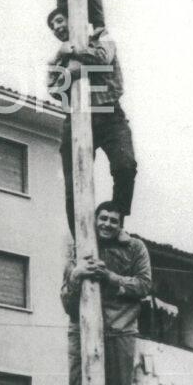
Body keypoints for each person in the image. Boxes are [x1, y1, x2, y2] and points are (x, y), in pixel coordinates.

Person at [61, 203, 151, 385]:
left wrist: (111, 277)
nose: (107, 224)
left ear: (120, 225)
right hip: (82, 329)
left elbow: (144, 285)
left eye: (113, 220)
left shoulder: (135, 247)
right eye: (103, 218)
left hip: (120, 328)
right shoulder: (80, 247)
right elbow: (67, 302)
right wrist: (77, 275)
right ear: (95, 219)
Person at [47, 12, 137, 233]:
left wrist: (76, 56)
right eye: (52, 26)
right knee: (74, 183)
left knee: (125, 166)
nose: (56, 27)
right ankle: (80, 236)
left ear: (74, 17)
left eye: (59, 20)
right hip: (76, 118)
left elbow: (103, 59)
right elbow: (54, 89)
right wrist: (64, 64)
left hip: (109, 114)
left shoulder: (102, 38)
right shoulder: (60, 56)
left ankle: (115, 225)